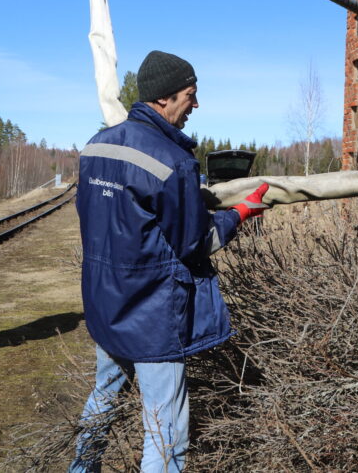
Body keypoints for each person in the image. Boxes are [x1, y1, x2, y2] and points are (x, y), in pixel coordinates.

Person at [70, 50, 270, 472]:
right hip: (152, 319)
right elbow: (196, 243)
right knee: (165, 434)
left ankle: (81, 468)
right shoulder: (174, 160)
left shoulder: (96, 146)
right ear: (164, 98)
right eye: (190, 94)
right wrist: (240, 214)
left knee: (103, 400)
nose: (195, 105)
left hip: (105, 304)